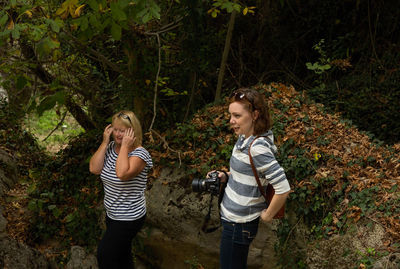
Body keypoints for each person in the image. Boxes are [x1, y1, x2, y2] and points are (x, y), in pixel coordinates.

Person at [210, 88, 291, 269]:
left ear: (255, 115)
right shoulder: (245, 138)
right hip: (233, 221)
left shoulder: (257, 148)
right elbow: (250, 175)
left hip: (239, 225)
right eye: (230, 115)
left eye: (237, 116)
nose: (231, 121)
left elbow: (283, 188)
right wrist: (225, 176)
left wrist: (268, 215)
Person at [89, 110, 153, 269]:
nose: (117, 134)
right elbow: (94, 169)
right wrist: (104, 142)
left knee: (105, 255)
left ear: (133, 131)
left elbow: (122, 174)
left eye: (122, 131)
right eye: (115, 129)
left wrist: (125, 146)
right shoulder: (110, 147)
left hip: (129, 217)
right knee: (123, 256)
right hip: (112, 214)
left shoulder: (140, 154)